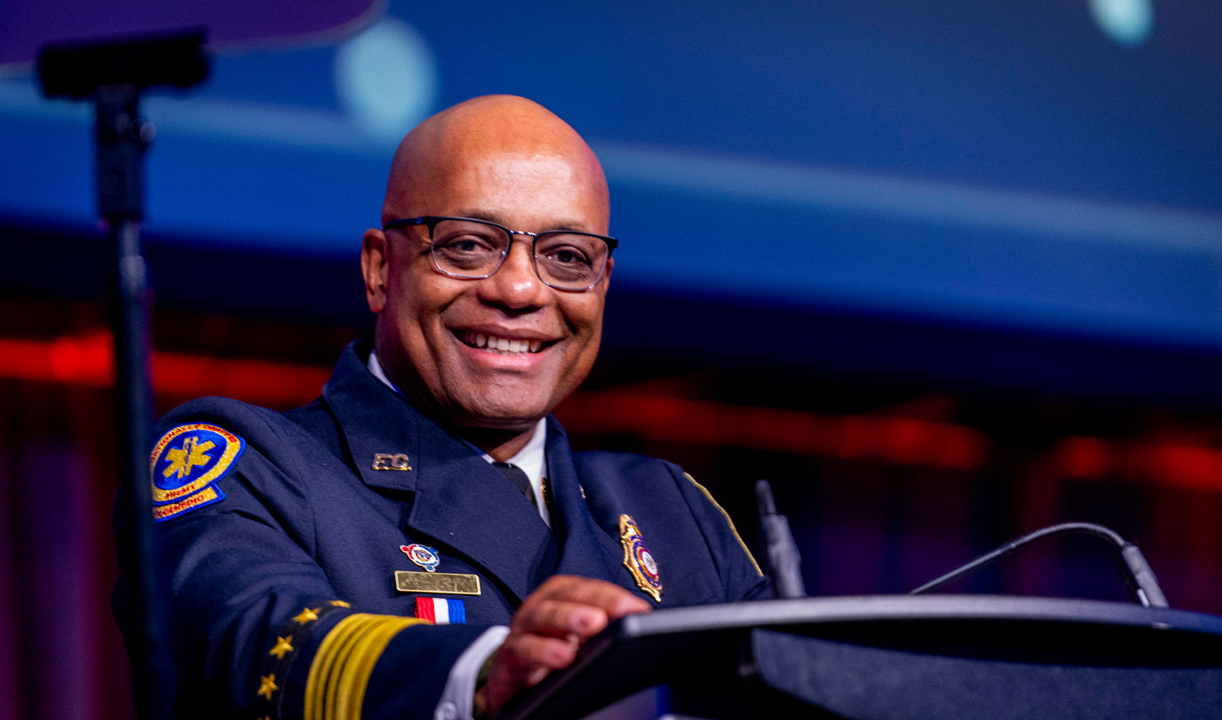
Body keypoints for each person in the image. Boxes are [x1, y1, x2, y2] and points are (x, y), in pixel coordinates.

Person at [114, 95, 769, 720]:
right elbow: (256, 643)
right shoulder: (252, 464)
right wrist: (483, 674)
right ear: (379, 269)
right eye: (468, 245)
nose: (519, 289)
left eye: (567, 257)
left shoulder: (669, 509)